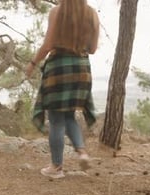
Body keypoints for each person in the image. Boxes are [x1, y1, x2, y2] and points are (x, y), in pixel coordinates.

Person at [25, 0, 100, 179]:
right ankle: (82, 152)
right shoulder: (92, 14)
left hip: (59, 68)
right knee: (69, 115)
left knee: (57, 120)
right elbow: (93, 49)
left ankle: (56, 168)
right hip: (81, 69)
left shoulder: (56, 12)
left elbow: (48, 44)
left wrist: (33, 63)